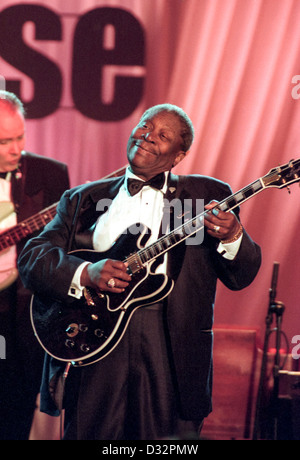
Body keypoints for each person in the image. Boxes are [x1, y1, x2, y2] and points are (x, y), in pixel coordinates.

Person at [18, 103, 261, 440]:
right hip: (94, 341)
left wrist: (233, 235)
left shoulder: (206, 195)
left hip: (170, 350)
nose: (148, 136)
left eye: (163, 135)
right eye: (145, 126)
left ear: (178, 155)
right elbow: (33, 258)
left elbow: (242, 276)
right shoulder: (81, 199)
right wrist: (86, 273)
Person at [0, 90, 70, 440]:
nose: (15, 149)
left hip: (23, 316)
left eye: (20, 137)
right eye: (3, 141)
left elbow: (64, 247)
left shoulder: (51, 175)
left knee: (15, 409)